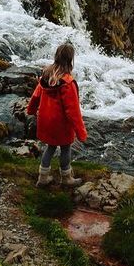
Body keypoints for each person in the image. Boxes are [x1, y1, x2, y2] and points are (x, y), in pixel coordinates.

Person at [26, 41, 87, 188]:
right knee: (65, 148)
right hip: (61, 123)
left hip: (46, 119)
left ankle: (43, 177)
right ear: (70, 60)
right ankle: (66, 178)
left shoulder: (46, 76)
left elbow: (35, 96)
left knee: (51, 147)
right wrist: (81, 132)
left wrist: (31, 110)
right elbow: (72, 111)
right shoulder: (67, 83)